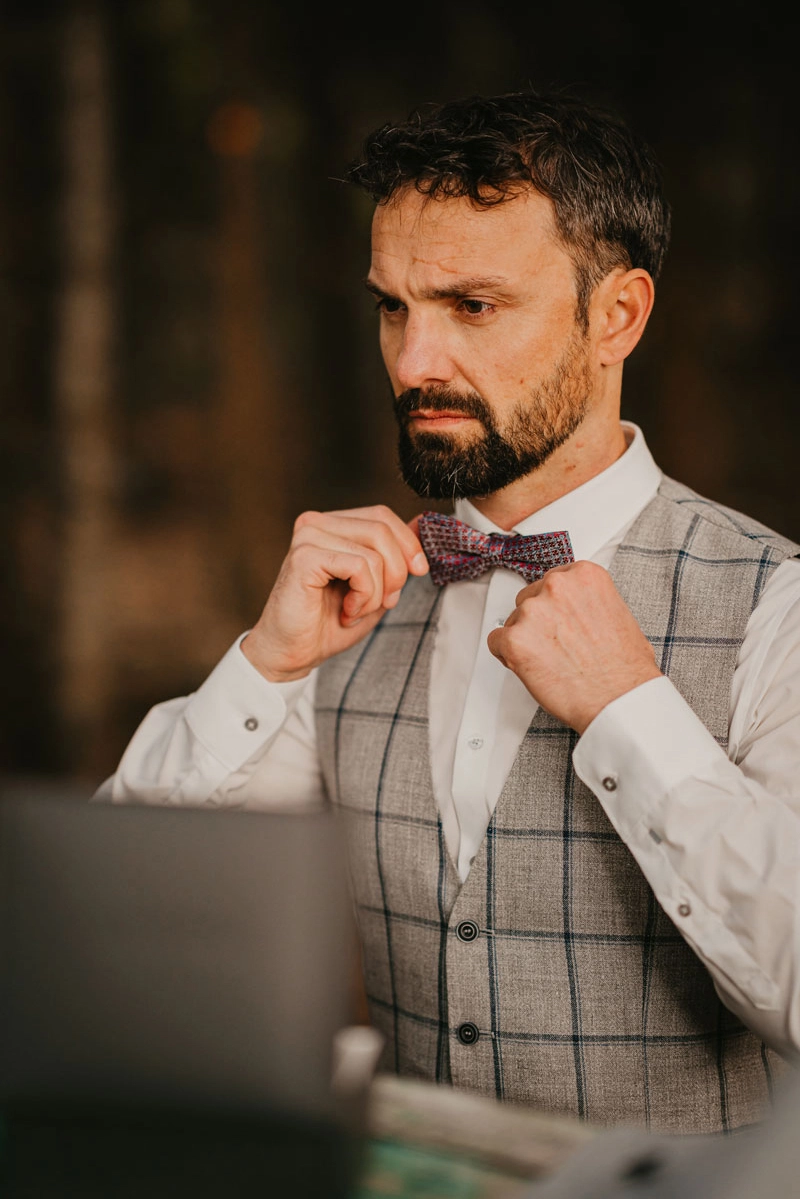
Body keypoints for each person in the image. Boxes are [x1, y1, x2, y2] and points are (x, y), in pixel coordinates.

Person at [96, 90, 800, 1135]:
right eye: (393, 306)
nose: (414, 362)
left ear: (616, 316)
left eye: (471, 305)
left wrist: (628, 710)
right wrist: (265, 662)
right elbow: (117, 919)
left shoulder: (771, 599)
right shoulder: (347, 604)